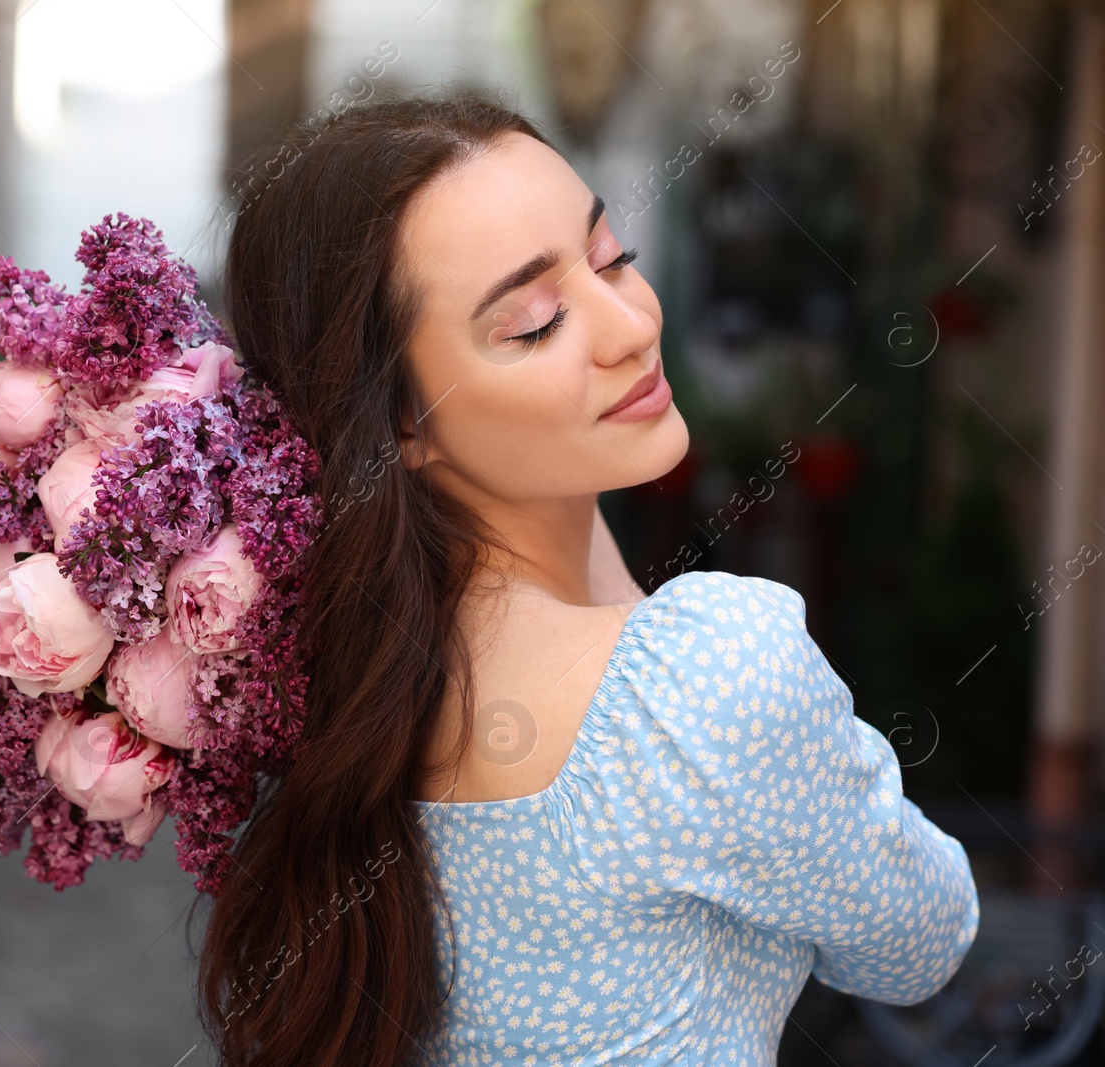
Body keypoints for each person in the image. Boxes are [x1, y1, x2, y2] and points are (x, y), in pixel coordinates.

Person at [197, 86, 978, 1066]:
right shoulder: (705, 677)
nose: (629, 326)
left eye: (613, 258)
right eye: (533, 322)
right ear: (396, 422)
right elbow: (924, 938)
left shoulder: (331, 680)